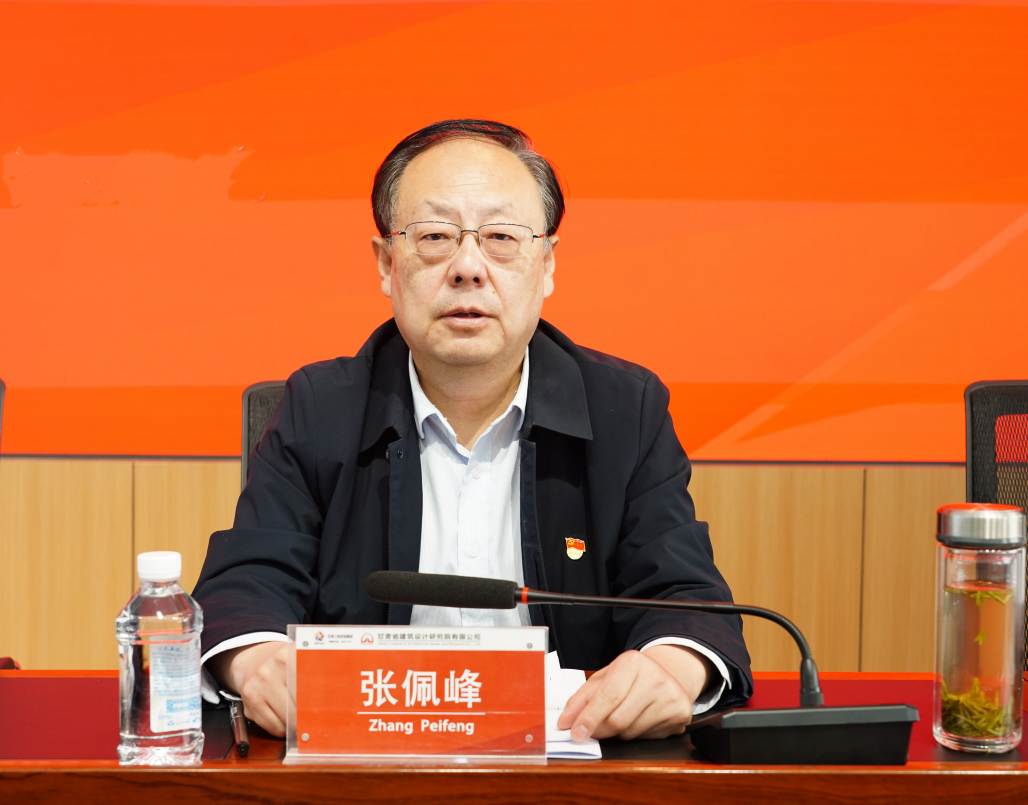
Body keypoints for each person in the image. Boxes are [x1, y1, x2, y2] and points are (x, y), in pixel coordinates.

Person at [194, 119, 752, 743]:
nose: (467, 267)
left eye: (501, 238)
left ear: (547, 264)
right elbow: (245, 585)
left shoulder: (625, 409)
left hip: (565, 769)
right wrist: (259, 661)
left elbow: (685, 599)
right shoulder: (321, 408)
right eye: (435, 236)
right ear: (387, 263)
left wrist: (671, 668)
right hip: (362, 766)